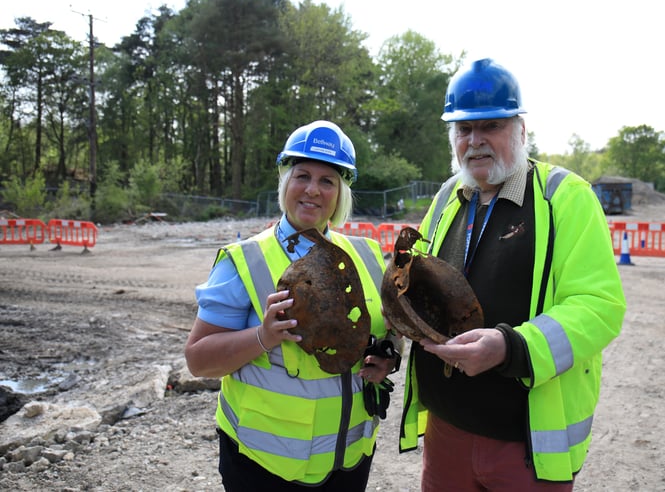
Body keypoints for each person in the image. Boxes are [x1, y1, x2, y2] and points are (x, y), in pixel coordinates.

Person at [397, 58, 627, 490]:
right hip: (446, 431)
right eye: (464, 130)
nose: (475, 141)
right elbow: (415, 285)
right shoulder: (449, 196)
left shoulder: (566, 198)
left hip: (524, 443)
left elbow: (599, 307)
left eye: (491, 127)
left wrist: (510, 346)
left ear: (520, 130)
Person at [185, 120, 401, 491]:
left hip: (349, 461)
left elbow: (389, 333)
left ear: (340, 192)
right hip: (265, 467)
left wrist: (389, 357)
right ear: (286, 180)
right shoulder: (247, 260)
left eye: (327, 181)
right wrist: (262, 336)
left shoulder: (365, 255)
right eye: (303, 176)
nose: (313, 191)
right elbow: (198, 361)